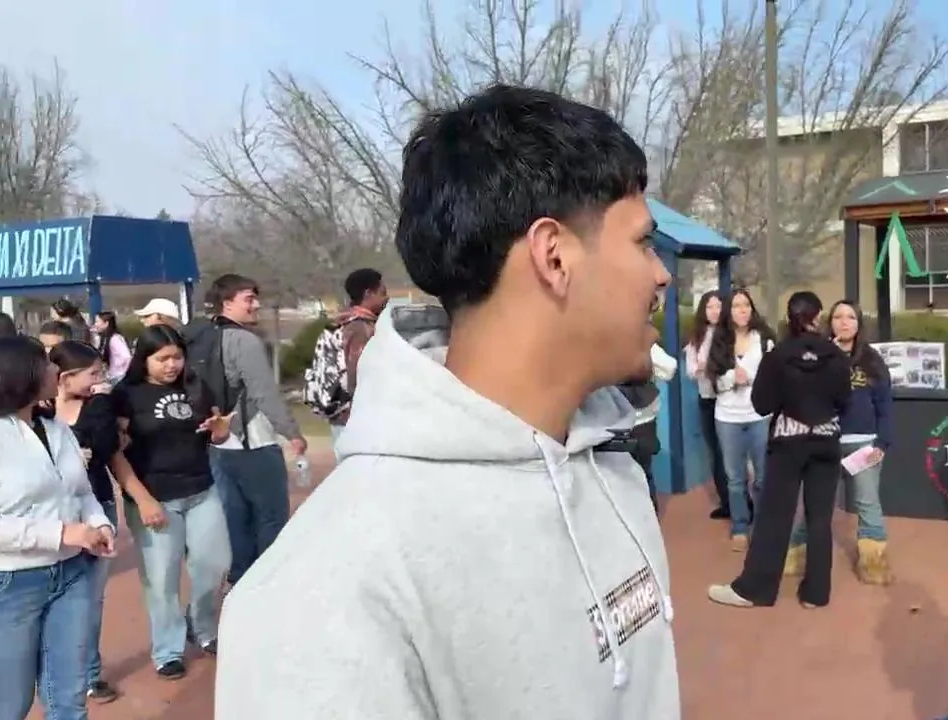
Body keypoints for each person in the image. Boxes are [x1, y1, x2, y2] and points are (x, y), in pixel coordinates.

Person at [215, 84, 679, 719]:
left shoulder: (614, 469)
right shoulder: (319, 596)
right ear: (553, 255)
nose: (662, 274)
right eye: (643, 242)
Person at [0, 335, 117, 720]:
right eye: (46, 363)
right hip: (10, 584)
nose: (55, 370)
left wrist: (98, 523)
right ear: (20, 374)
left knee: (69, 698)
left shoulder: (56, 428)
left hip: (72, 574)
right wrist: (60, 533)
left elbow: (80, 492)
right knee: (8, 703)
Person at [707, 291, 851, 610]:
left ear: (789, 318)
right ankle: (816, 593)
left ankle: (756, 589)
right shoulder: (836, 356)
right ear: (818, 316)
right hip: (827, 441)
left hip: (788, 443)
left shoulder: (778, 355)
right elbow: (844, 400)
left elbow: (761, 404)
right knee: (820, 518)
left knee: (775, 515)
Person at [113, 325, 234, 681]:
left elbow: (216, 432)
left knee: (215, 564)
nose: (172, 365)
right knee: (161, 579)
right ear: (144, 359)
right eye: (162, 358)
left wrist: (220, 431)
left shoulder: (195, 386)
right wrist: (142, 499)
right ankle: (168, 650)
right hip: (155, 498)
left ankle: (202, 627)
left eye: (177, 357)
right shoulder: (126, 395)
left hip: (201, 490)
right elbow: (116, 454)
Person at [185, 274, 307, 587]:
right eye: (248, 299)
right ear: (227, 303)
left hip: (218, 443)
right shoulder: (244, 341)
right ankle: (267, 586)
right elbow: (264, 393)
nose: (256, 305)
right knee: (270, 518)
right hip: (253, 442)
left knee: (235, 520)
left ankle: (239, 584)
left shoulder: (203, 336)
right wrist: (292, 432)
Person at [45, 341, 131, 704]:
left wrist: (103, 405)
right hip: (51, 519)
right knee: (47, 598)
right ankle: (52, 673)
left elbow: (106, 449)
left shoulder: (98, 407)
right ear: (65, 378)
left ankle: (90, 673)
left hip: (95, 507)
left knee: (88, 599)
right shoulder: (38, 412)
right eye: (93, 373)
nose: (100, 379)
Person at [814, 299, 894, 585]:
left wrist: (882, 444)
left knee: (868, 504)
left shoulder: (872, 360)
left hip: (864, 444)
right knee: (814, 502)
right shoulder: (820, 357)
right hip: (825, 441)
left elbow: (885, 405)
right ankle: (799, 555)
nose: (844, 322)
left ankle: (873, 563)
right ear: (830, 322)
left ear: (859, 324)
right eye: (838, 317)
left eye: (850, 317)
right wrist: (828, 359)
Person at [704, 289, 776, 552]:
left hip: (759, 415)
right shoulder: (719, 341)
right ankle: (740, 527)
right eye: (736, 306)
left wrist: (752, 378)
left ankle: (765, 526)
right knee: (734, 479)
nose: (742, 310)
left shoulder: (764, 339)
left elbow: (774, 375)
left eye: (746, 305)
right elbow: (713, 381)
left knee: (762, 477)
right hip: (727, 417)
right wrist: (732, 378)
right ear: (729, 311)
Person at [319, 268, 389, 455]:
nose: (387, 298)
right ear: (368, 294)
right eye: (382, 292)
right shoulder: (360, 328)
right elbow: (361, 375)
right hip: (357, 418)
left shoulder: (341, 323)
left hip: (340, 414)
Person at [683, 291, 730, 520]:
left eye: (718, 306)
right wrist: (701, 367)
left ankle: (742, 501)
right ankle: (726, 501)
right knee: (716, 452)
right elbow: (691, 370)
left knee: (731, 452)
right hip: (707, 399)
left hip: (728, 399)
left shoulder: (730, 334)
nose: (714, 311)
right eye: (709, 307)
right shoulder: (697, 338)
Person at [617, 340, 678, 515]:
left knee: (639, 474)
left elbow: (669, 368)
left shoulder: (641, 340)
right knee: (630, 476)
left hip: (637, 420)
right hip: (617, 421)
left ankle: (646, 519)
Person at [92, 311, 132, 383]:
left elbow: (127, 357)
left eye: (97, 322)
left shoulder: (115, 339)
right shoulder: (105, 338)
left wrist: (120, 369)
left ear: (106, 323)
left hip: (118, 376)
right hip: (113, 376)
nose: (95, 324)